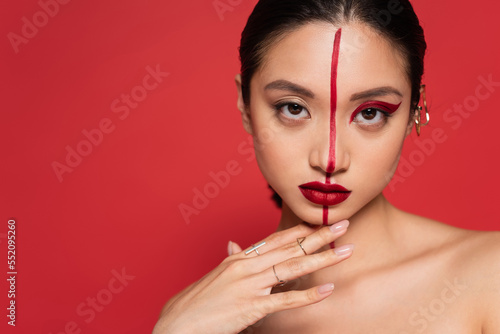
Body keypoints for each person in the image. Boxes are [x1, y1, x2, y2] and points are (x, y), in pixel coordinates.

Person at [153, 0, 500, 333]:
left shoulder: (490, 277)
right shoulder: (202, 316)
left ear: (413, 111)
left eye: (370, 113)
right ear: (245, 104)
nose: (330, 159)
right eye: (293, 108)